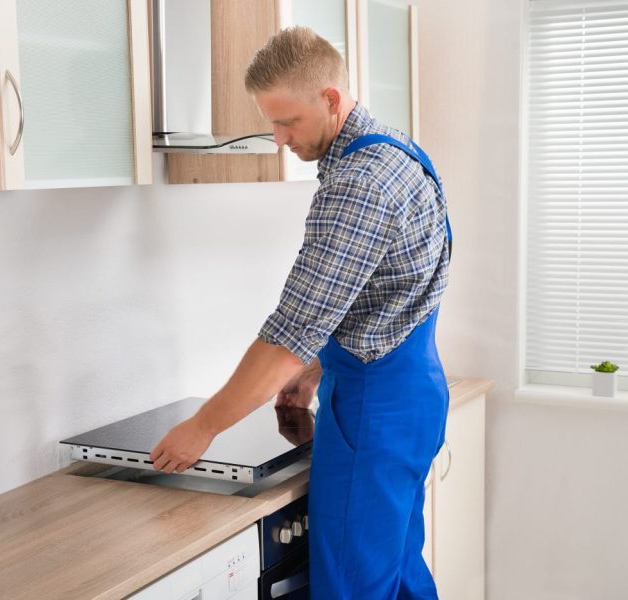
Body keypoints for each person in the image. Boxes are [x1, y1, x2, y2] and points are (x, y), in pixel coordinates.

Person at [150, 26, 451, 600]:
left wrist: (203, 426)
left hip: (375, 414)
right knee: (398, 577)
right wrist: (315, 370)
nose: (278, 137)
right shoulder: (395, 149)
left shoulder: (360, 183)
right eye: (270, 121)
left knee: (354, 588)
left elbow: (290, 331)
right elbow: (387, 294)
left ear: (331, 100)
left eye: (287, 121)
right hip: (408, 396)